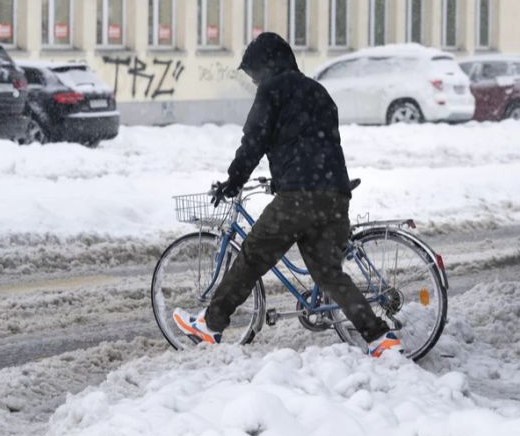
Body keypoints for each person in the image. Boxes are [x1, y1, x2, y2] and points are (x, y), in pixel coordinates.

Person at [172, 32, 402, 358]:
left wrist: (234, 180)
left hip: (299, 198)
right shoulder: (319, 91)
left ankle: (210, 325)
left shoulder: (272, 90)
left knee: (251, 257)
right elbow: (314, 143)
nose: (254, 82)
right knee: (330, 275)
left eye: (254, 74)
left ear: (267, 66)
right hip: (334, 194)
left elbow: (254, 140)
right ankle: (380, 338)